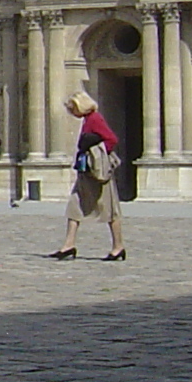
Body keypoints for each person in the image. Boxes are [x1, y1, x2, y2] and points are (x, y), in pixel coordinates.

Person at [48, 91, 126, 262]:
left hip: (98, 174)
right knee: (74, 205)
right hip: (87, 173)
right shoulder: (87, 120)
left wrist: (96, 153)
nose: (71, 113)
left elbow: (111, 140)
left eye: (72, 108)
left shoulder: (95, 119)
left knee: (110, 211)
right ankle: (68, 245)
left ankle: (118, 247)